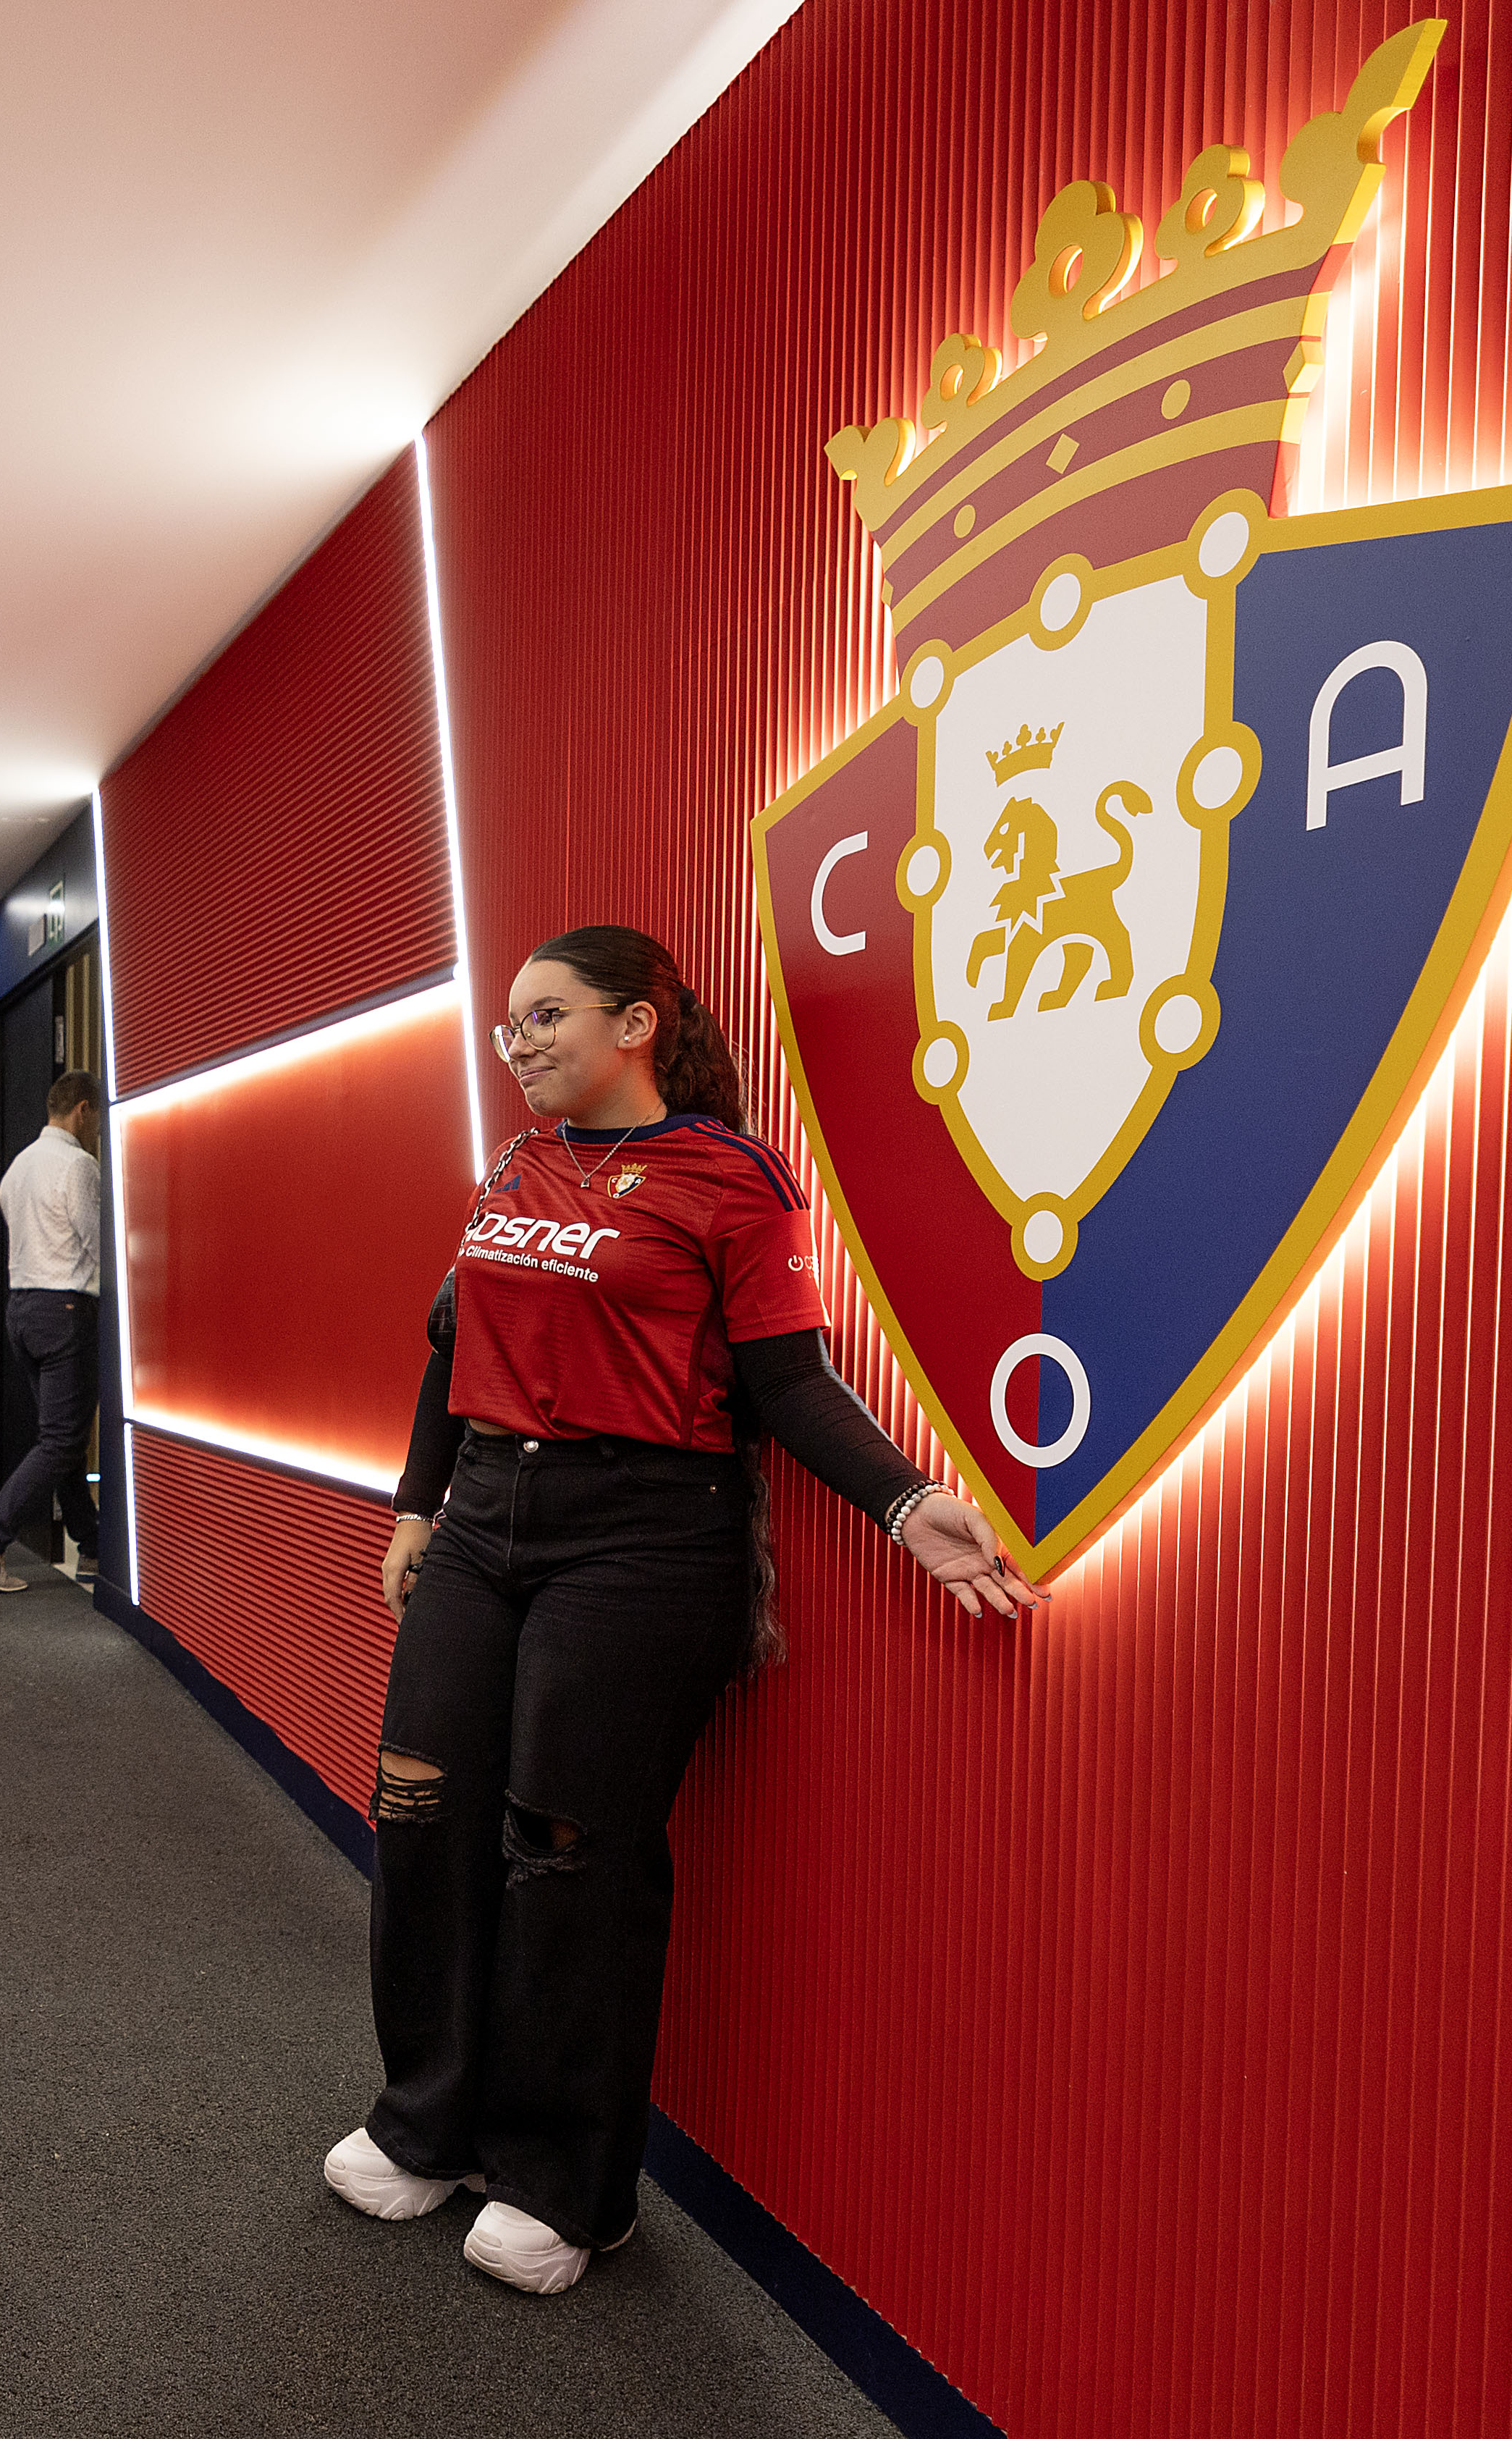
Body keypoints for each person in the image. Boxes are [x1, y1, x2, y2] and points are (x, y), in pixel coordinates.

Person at [323, 924, 1040, 2296]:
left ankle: (564, 2181)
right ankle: (432, 2117)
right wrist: (417, 1504)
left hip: (641, 1536)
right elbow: (449, 1339)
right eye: (507, 1025)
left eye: (544, 1017)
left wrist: (903, 1505)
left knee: (566, 1848)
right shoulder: (516, 1163)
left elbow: (788, 1382)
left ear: (637, 1022)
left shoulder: (729, 1177)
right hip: (481, 1516)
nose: (516, 1041)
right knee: (417, 1805)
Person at [0, 1068, 105, 1592]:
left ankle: (91, 1545)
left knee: (56, 1438)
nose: (98, 1129)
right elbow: (95, 1241)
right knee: (63, 1439)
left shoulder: (17, 1167)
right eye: (97, 1117)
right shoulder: (78, 1166)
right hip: (66, 1312)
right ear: (82, 1109)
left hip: (21, 1312)